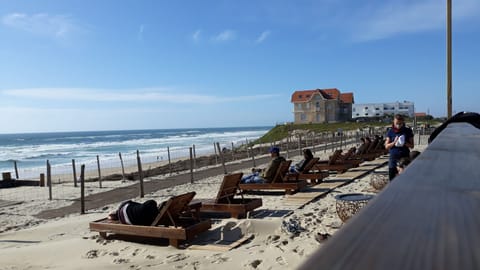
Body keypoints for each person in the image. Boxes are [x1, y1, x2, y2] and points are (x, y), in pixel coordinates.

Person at [384, 114, 414, 180]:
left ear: (403, 122)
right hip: (393, 158)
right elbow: (386, 146)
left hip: (404, 157)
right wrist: (394, 143)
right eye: (396, 123)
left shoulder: (408, 131)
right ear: (393, 122)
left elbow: (412, 146)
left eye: (400, 123)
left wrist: (404, 143)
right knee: (392, 177)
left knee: (405, 177)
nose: (398, 125)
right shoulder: (390, 131)